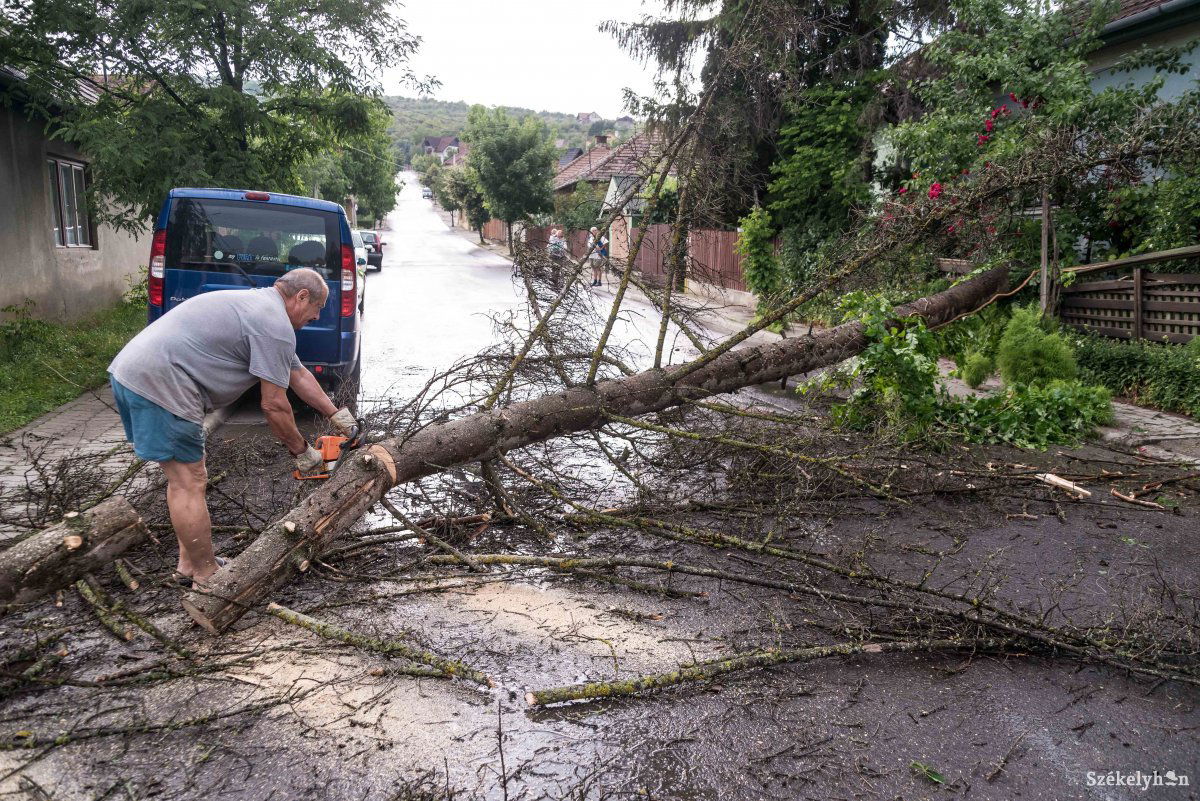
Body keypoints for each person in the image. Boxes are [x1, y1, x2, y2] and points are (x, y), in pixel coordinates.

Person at [107, 268, 356, 587]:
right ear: (301, 296)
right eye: (317, 309)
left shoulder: (261, 309)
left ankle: (188, 564)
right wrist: (303, 453)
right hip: (161, 383)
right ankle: (207, 576)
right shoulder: (274, 325)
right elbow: (274, 406)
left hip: (135, 374)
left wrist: (340, 418)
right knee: (189, 482)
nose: (316, 316)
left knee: (183, 479)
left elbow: (299, 375)